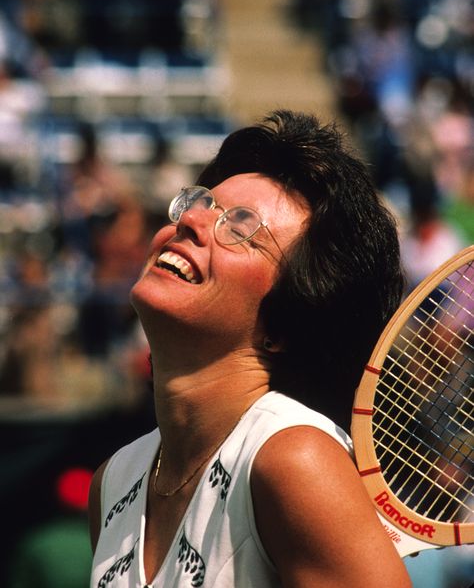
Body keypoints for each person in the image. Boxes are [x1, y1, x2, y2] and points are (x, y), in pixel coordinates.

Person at [89, 110, 411, 587]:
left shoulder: (294, 460)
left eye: (240, 228)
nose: (192, 222)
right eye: (198, 203)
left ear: (285, 323)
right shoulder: (112, 481)